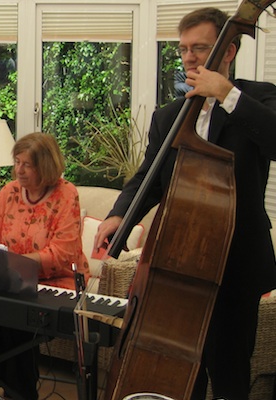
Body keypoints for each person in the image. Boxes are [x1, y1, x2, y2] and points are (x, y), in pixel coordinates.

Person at [92, 7, 276, 399]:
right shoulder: (169, 116)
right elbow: (149, 177)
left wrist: (225, 94)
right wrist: (119, 215)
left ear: (229, 50)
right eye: (184, 50)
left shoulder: (257, 99)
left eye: (201, 48)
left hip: (236, 264)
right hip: (180, 263)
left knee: (229, 373)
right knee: (181, 372)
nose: (190, 58)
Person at [0, 132, 89, 400]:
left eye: (27, 165)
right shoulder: (9, 191)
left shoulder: (65, 194)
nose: (18, 171)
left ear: (45, 166)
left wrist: (16, 263)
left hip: (55, 281)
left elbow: (62, 253)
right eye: (17, 162)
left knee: (18, 320)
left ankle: (18, 390)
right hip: (11, 278)